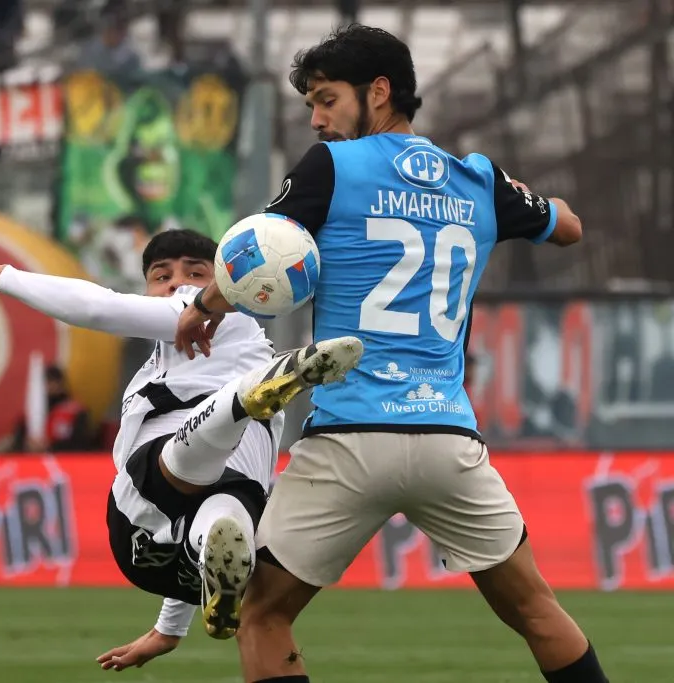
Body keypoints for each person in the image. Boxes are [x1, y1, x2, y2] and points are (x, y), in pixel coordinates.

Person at [174, 24, 608, 683]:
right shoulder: (477, 180)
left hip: (351, 435)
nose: (317, 119)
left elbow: (259, 253)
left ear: (379, 91)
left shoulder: (331, 169)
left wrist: (203, 308)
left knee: (262, 612)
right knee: (534, 607)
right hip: (447, 438)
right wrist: (506, 191)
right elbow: (570, 226)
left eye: (326, 99)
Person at [0, 229, 361, 669]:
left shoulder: (225, 318)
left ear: (225, 284)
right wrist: (168, 629)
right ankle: (246, 400)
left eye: (197, 273)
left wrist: (2, 277)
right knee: (219, 506)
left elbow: (98, 308)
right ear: (148, 288)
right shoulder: (171, 353)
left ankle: (242, 402)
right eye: (163, 276)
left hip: (154, 534)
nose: (180, 285)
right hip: (178, 523)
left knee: (202, 493)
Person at [10, 365, 97, 453]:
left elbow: (81, 444)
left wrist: (50, 447)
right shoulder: (29, 414)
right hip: (30, 460)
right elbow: (17, 441)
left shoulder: (76, 412)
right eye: (44, 383)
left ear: (60, 384)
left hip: (63, 461)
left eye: (51, 382)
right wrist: (27, 446)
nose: (47, 387)